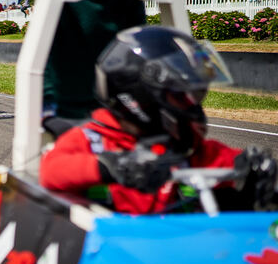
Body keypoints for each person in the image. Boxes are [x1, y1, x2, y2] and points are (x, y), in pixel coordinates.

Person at [40, 26, 278, 214]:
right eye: (182, 97)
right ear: (139, 97)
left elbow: (223, 159)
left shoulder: (187, 148)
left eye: (196, 97)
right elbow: (51, 170)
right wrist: (110, 166)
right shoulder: (92, 141)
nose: (193, 109)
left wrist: (253, 168)